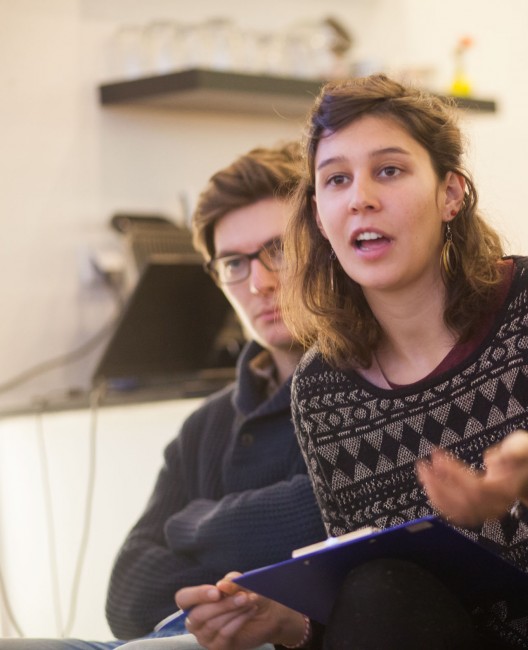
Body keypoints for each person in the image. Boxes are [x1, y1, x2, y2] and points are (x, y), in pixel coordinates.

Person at [174, 74, 528, 650]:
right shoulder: (324, 390)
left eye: (389, 170)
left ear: (450, 194)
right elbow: (384, 609)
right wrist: (293, 626)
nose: (361, 198)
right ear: (321, 217)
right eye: (336, 180)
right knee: (377, 584)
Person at [0, 143, 323, 649]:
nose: (259, 281)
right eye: (234, 263)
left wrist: (192, 523)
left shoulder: (362, 389)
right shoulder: (207, 424)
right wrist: (249, 562)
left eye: (278, 249)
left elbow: (322, 517)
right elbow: (126, 590)